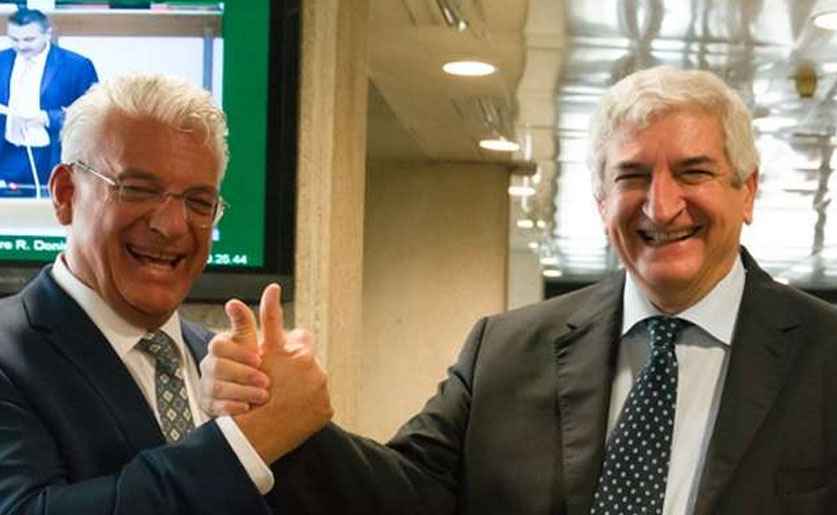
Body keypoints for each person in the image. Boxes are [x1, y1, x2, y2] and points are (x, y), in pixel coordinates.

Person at [202, 66, 837, 514]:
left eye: (693, 173)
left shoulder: (825, 356)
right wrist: (287, 422)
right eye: (632, 176)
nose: (661, 205)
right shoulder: (504, 351)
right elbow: (402, 495)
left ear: (748, 191)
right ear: (601, 200)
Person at [0, 73, 332, 514]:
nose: (172, 226)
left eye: (199, 202)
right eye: (137, 190)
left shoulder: (228, 367)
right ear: (65, 194)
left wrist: (296, 411)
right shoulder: (9, 352)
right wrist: (243, 445)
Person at [0, 7, 98, 197]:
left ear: (47, 34)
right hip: (7, 153)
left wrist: (48, 118)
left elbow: (93, 113)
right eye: (14, 39)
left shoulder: (76, 65)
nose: (21, 46)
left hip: (52, 154)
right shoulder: (1, 60)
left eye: (29, 39)